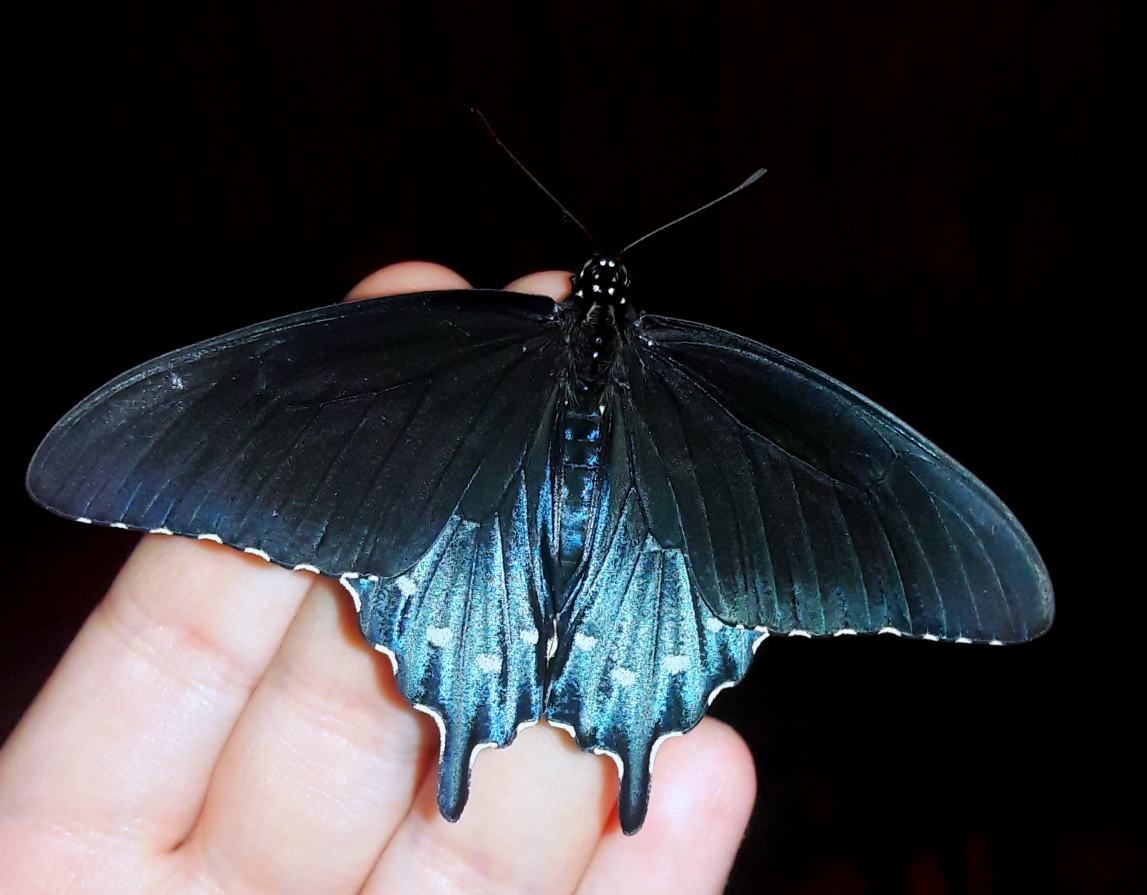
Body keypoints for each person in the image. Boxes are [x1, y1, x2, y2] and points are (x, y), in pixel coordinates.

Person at [0, 262, 756, 893]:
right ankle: (491, 749)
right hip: (538, 548)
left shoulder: (457, 341)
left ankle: (489, 750)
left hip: (542, 550)